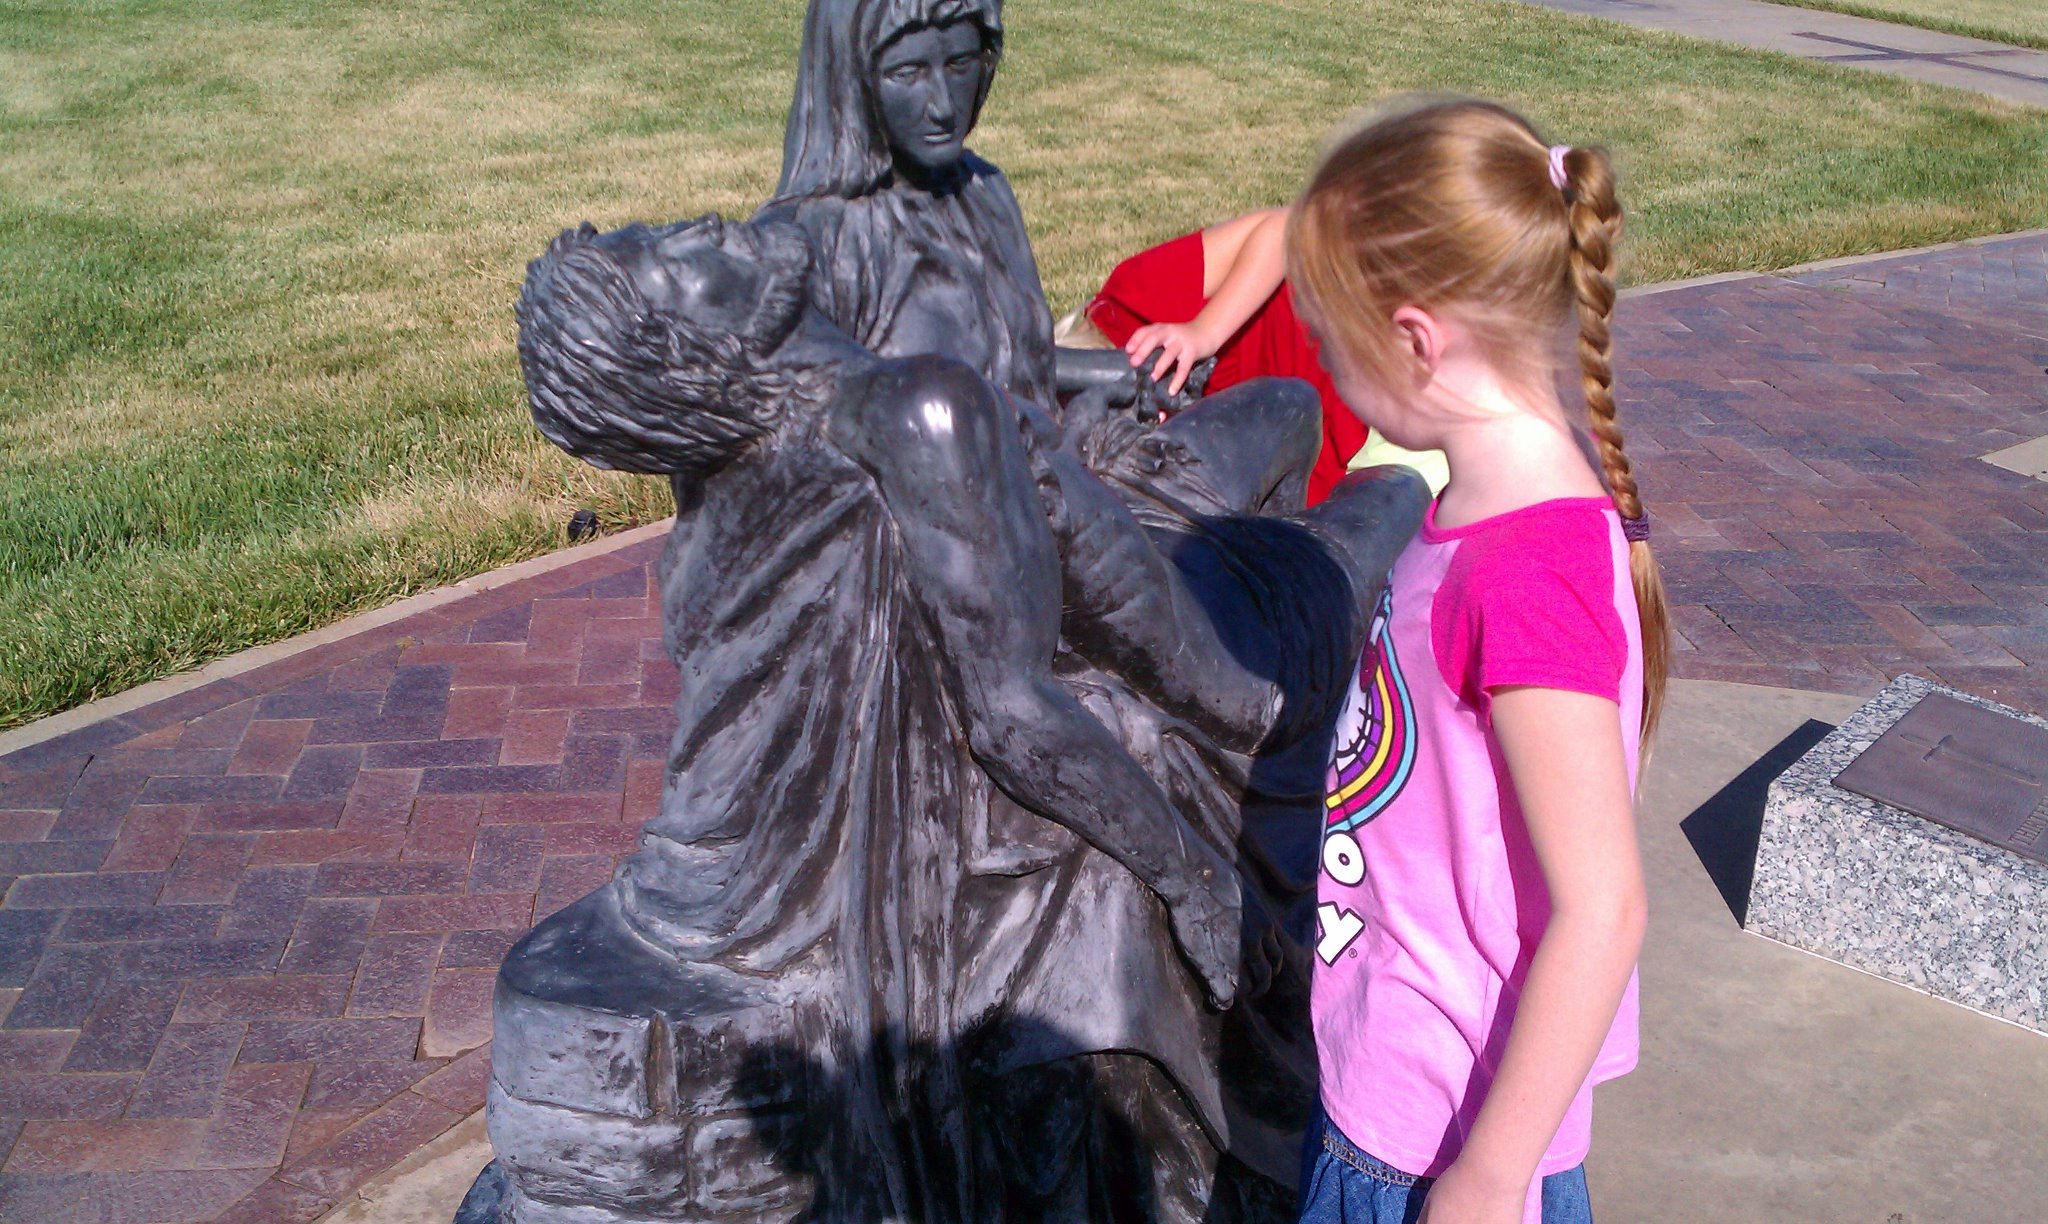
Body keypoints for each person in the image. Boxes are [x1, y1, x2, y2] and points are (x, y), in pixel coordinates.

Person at [511, 211, 1427, 1221]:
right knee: (1388, 494)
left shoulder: (747, 457)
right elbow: (1012, 712)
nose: (699, 228)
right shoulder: (912, 416)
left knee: (1288, 405)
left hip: (1110, 498)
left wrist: (1066, 408)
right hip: (1195, 631)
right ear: (698, 357)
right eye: (674, 263)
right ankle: (1306, 740)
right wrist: (1195, 875)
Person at [1283, 98, 1670, 1224]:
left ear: (1414, 339)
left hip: (1431, 1143)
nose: (1322, 365)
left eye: (1328, 339)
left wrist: (1491, 1177)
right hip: (1390, 1072)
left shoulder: (1521, 576)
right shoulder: (1479, 509)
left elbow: (1602, 908)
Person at [1077, 207, 1450, 504]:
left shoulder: (1131, 301)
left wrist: (1205, 331)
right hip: (1347, 442)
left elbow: (1293, 227)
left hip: (1380, 332)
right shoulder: (1127, 475)